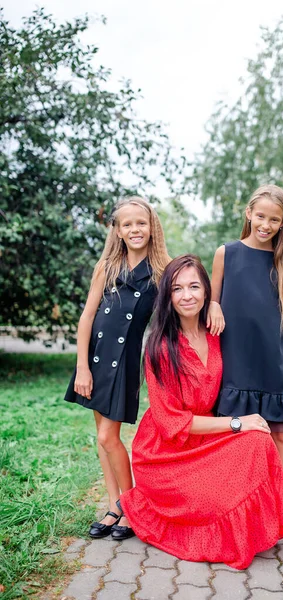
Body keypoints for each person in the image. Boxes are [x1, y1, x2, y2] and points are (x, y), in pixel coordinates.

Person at [119, 254, 283, 570]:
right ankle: (143, 504)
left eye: (194, 286)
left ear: (206, 291)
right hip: (165, 454)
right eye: (177, 288)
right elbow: (170, 421)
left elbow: (257, 348)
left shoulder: (216, 331)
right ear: (167, 296)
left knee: (258, 440)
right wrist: (236, 422)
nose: (187, 295)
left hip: (205, 441)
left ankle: (252, 527)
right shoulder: (160, 347)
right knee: (211, 495)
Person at [208, 184, 283, 568]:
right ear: (248, 213)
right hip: (234, 360)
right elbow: (213, 298)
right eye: (261, 216)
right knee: (236, 440)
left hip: (273, 361)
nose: (266, 224)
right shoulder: (226, 253)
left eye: (274, 219)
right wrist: (213, 305)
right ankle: (234, 522)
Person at [65, 196, 170, 540]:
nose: (135, 229)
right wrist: (82, 366)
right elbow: (86, 318)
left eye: (141, 222)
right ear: (118, 230)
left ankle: (130, 506)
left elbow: (189, 301)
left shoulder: (163, 269)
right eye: (127, 224)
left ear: (152, 226)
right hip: (94, 360)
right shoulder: (107, 266)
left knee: (108, 436)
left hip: (124, 361)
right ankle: (116, 505)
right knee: (102, 438)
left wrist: (213, 305)